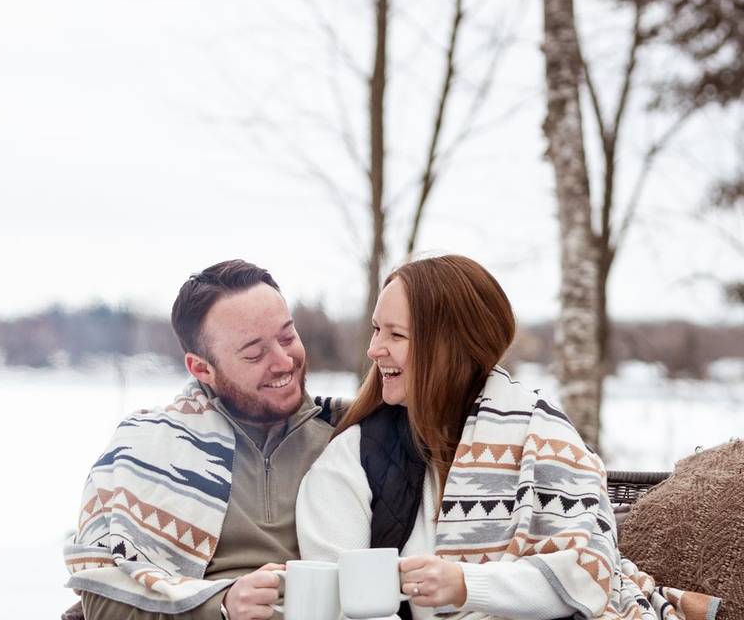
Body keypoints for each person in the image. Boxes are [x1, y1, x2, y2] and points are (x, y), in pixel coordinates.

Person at [296, 255, 720, 620]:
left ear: (448, 349)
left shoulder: (543, 438)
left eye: (396, 335)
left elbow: (587, 573)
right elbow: (334, 599)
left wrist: (467, 583)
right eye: (375, 330)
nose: (374, 350)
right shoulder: (353, 458)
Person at [64, 259, 340, 620]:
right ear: (201, 368)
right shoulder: (144, 451)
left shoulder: (347, 437)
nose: (284, 361)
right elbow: (102, 602)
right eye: (255, 353)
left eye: (288, 336)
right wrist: (220, 604)